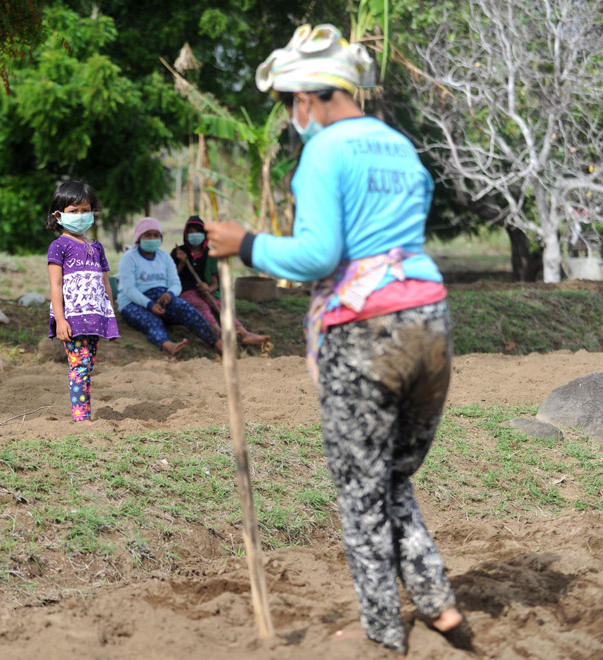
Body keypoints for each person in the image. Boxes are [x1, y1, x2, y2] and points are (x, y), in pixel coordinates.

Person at [204, 24, 471, 656]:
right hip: (430, 319)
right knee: (392, 477)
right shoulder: (398, 146)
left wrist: (245, 243)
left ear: (306, 98)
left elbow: (318, 255)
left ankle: (382, 631)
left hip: (366, 331)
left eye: (288, 104)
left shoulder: (324, 152)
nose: (290, 116)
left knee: (360, 491)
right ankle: (438, 605)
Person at [46, 181, 119, 424]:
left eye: (85, 210)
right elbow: (56, 285)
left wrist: (109, 316)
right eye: (73, 211)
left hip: (95, 317)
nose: (80, 216)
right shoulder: (58, 246)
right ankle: (81, 417)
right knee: (79, 366)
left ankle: (83, 414)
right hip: (72, 319)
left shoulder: (97, 247)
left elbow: (105, 282)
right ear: (58, 216)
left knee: (87, 366)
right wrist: (60, 320)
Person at [116, 217, 223, 359]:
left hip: (162, 298)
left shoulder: (164, 257)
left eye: (156, 235)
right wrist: (150, 304)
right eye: (148, 235)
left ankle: (218, 343)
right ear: (139, 237)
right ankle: (168, 345)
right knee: (151, 321)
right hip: (133, 302)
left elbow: (175, 283)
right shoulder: (129, 258)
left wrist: (169, 295)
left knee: (187, 310)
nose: (152, 239)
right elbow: (129, 289)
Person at [171, 215, 271, 347]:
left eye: (198, 232)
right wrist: (182, 263)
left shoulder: (210, 254)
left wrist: (208, 289)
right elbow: (171, 278)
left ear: (204, 235)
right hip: (185, 291)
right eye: (191, 232)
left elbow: (215, 283)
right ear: (186, 234)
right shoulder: (178, 252)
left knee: (220, 306)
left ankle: (244, 333)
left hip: (204, 291)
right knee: (202, 306)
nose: (194, 235)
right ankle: (219, 332)